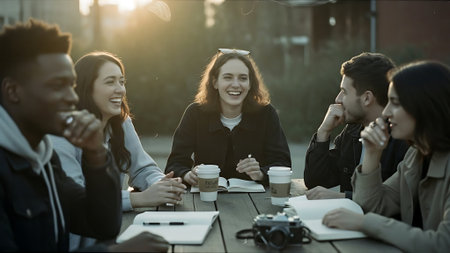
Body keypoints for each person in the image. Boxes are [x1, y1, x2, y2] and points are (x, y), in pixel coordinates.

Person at [0, 19, 168, 252]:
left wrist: (96, 155)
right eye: (58, 85)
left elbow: (102, 224)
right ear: (13, 91)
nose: (72, 98)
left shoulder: (43, 159)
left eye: (72, 85)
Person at [49, 51, 186, 250]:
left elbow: (143, 168)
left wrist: (162, 185)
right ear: (87, 88)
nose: (120, 90)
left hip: (113, 233)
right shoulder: (62, 136)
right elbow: (80, 198)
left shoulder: (120, 122)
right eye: (110, 82)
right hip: (77, 243)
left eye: (121, 82)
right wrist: (138, 198)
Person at [322, 61, 450, 252]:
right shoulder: (416, 156)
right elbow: (373, 206)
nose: (387, 112)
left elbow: (442, 244)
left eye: (396, 103)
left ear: (424, 107)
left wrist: (364, 223)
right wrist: (372, 155)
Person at [165, 48, 291, 186]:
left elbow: (283, 164)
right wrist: (187, 175)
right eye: (228, 77)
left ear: (250, 84)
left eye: (243, 78)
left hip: (256, 201)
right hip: (206, 200)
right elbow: (174, 164)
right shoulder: (195, 113)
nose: (236, 84)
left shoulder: (266, 114)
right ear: (215, 82)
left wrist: (261, 173)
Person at [303, 52, 409, 199]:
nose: (338, 99)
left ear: (367, 98)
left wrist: (342, 198)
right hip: (346, 221)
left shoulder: (402, 140)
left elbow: (394, 203)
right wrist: (323, 132)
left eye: (344, 92)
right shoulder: (352, 132)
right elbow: (316, 181)